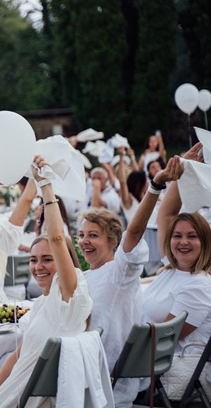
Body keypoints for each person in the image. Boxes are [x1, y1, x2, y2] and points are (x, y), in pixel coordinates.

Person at [0, 157, 92, 407]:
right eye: (33, 260)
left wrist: (46, 185)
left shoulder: (70, 292)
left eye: (47, 260)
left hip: (31, 398)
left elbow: (56, 238)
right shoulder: (44, 302)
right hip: (15, 389)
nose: (38, 267)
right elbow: (20, 352)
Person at [78, 156, 182, 406]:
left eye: (93, 235)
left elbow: (134, 232)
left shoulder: (119, 273)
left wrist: (156, 185)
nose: (84, 241)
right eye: (81, 235)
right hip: (90, 368)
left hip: (105, 382)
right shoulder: (88, 275)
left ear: (113, 241)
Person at [143, 143, 211, 355]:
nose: (183, 242)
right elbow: (166, 214)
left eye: (192, 236)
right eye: (177, 236)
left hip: (167, 370)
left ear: (206, 243)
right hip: (144, 361)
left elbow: (163, 339)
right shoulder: (172, 267)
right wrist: (184, 168)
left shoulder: (199, 285)